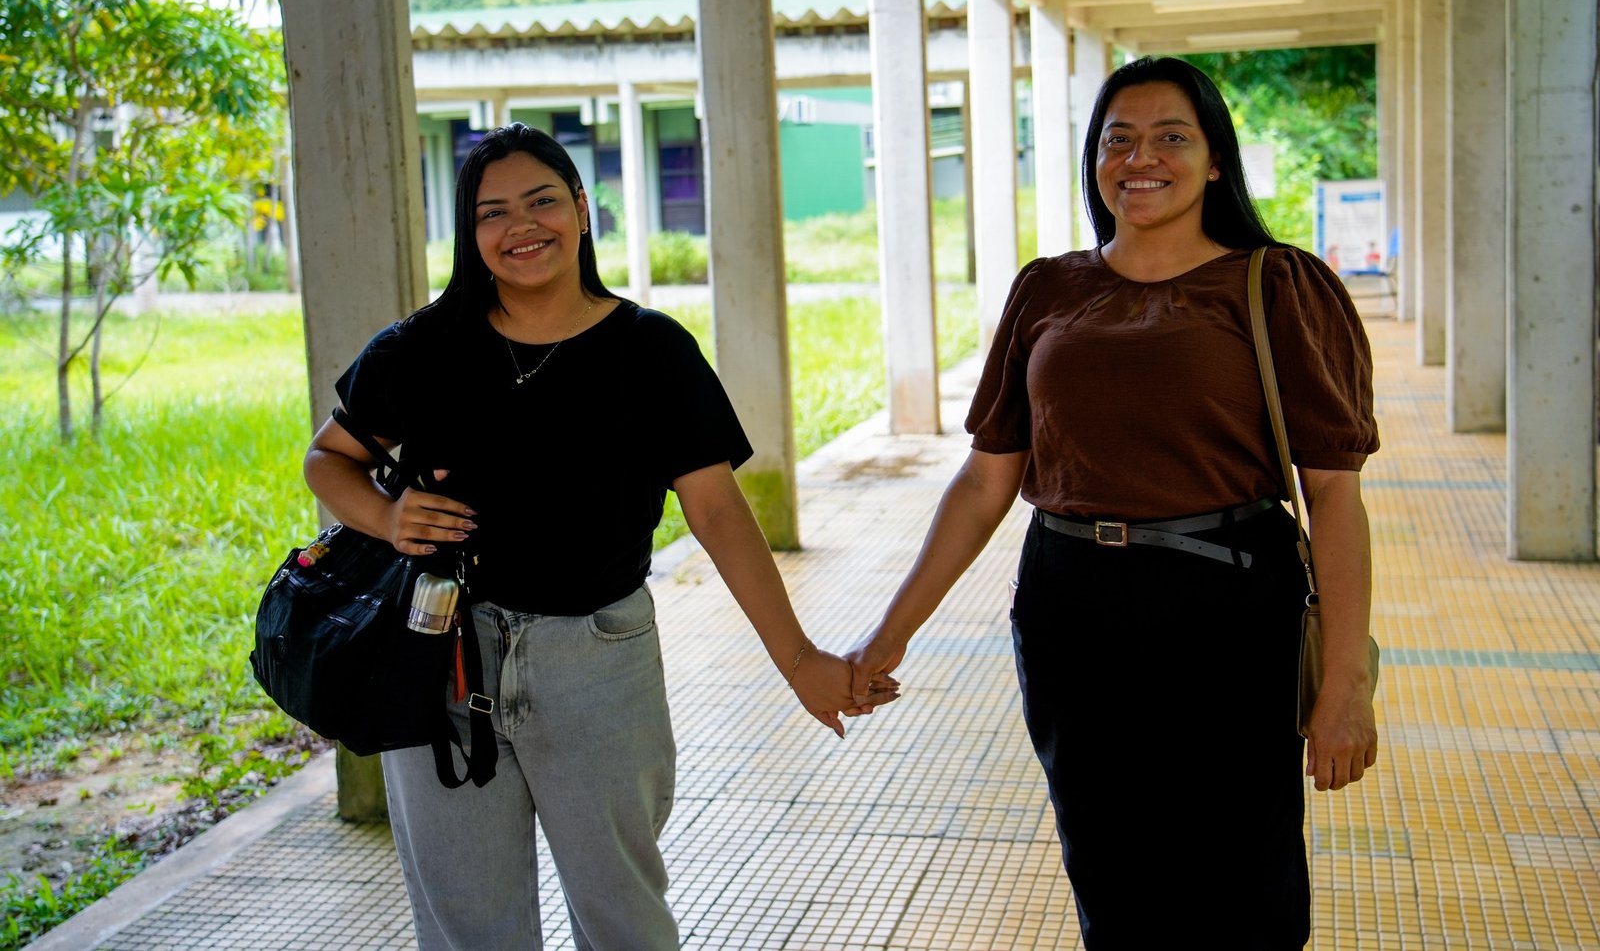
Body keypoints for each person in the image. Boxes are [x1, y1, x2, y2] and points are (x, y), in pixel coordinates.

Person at [303, 122, 895, 950]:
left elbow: (719, 512)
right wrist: (384, 515)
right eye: (493, 212)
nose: (522, 226)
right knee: (468, 924)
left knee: (622, 915)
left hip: (597, 659)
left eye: (543, 201)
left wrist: (797, 660)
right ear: (471, 236)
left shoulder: (651, 352)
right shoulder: (422, 349)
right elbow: (329, 458)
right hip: (442, 655)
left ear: (582, 210)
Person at [844, 56, 1380, 949]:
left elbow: (1333, 496)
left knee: (1242, 875)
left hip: (1230, 604)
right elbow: (985, 482)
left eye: (1173, 136)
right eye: (1117, 139)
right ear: (1094, 160)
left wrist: (1346, 684)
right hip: (1069, 604)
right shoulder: (1048, 288)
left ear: (1216, 160)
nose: (1142, 157)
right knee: (1109, 868)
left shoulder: (1276, 284)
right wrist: (889, 632)